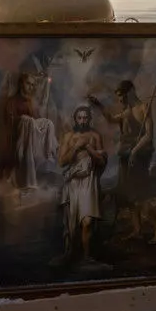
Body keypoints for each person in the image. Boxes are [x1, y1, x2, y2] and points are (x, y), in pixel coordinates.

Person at [89, 80, 154, 212]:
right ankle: (132, 221)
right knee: (125, 188)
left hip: (140, 154)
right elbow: (111, 119)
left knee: (137, 191)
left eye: (121, 95)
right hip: (126, 153)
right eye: (118, 96)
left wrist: (134, 151)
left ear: (130, 92)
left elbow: (149, 135)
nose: (120, 99)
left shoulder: (144, 107)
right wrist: (99, 105)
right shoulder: (127, 111)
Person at [56, 104, 107, 265]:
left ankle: (87, 257)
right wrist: (76, 148)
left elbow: (102, 161)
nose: (83, 121)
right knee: (71, 224)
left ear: (89, 119)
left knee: (87, 221)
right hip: (72, 182)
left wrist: (89, 148)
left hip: (89, 181)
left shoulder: (95, 136)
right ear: (75, 119)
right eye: (80, 118)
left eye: (85, 118)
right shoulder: (68, 137)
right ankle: (70, 253)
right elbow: (61, 162)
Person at [1, 71, 57, 190]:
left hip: (31, 135)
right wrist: (25, 121)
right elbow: (10, 123)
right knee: (27, 120)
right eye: (28, 83)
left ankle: (48, 152)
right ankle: (25, 179)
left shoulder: (30, 102)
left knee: (48, 123)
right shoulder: (12, 101)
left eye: (32, 85)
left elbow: (36, 120)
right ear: (21, 84)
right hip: (19, 137)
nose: (30, 87)